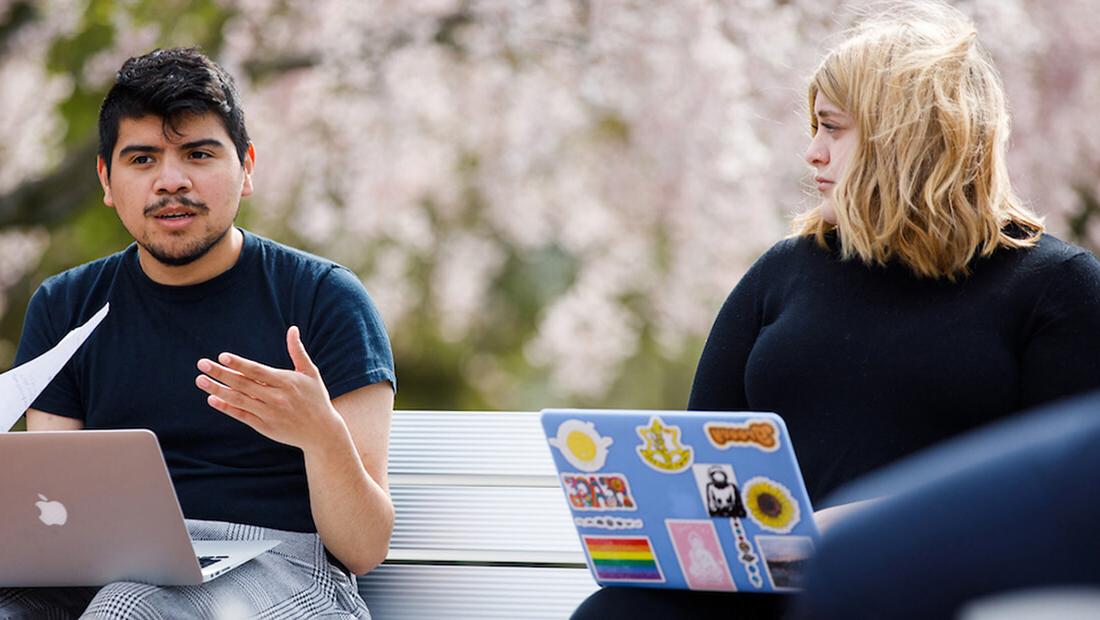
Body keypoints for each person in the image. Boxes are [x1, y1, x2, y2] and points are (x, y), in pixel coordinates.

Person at [572, 2, 1100, 618]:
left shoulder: (1057, 287)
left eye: (832, 127)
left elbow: (1064, 498)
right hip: (766, 593)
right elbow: (704, 465)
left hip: (932, 588)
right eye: (814, 128)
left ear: (903, 135)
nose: (813, 154)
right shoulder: (784, 271)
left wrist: (864, 529)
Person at [0, 48, 396, 619]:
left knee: (127, 610)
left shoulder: (323, 298)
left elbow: (363, 548)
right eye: (142, 159)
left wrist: (321, 436)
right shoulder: (65, 306)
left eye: (199, 153)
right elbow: (53, 514)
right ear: (107, 180)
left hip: (284, 567)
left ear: (248, 167)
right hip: (111, 564)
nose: (171, 181)